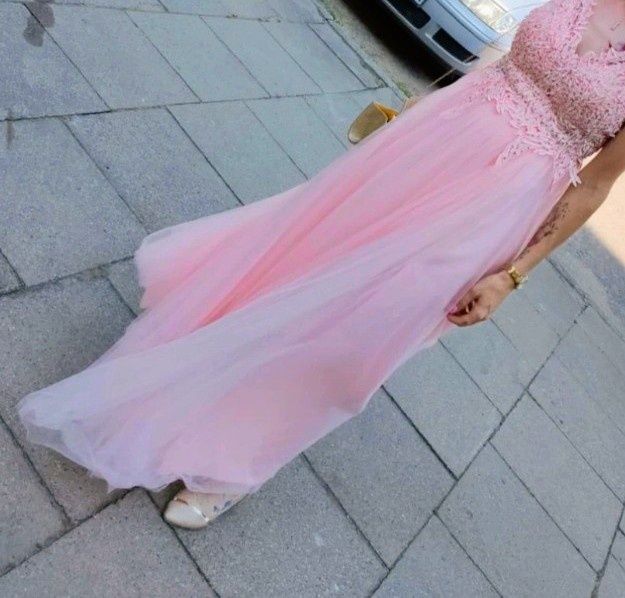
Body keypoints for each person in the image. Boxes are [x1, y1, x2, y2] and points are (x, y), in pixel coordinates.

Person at [17, 0, 625, 529]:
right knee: (302, 260)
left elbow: (596, 184)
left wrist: (513, 275)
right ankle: (190, 364)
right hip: (430, 145)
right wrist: (421, 110)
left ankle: (233, 467)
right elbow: (503, 60)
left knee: (357, 339)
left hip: (493, 211)